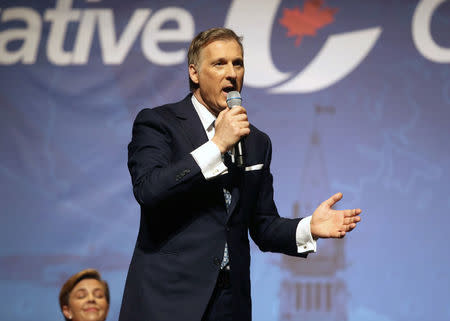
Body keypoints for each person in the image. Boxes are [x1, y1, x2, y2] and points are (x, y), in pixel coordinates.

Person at [119, 27, 361, 321]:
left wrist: (309, 227)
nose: (231, 73)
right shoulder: (159, 123)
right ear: (194, 73)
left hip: (230, 304)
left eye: (238, 63)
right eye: (219, 63)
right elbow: (149, 190)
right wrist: (217, 145)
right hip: (168, 300)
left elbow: (263, 227)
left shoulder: (257, 142)